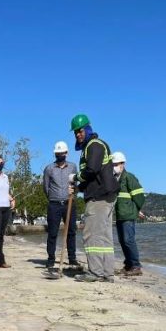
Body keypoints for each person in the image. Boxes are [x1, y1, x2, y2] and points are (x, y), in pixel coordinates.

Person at [68, 114, 119, 283]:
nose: (78, 135)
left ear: (88, 128)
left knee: (91, 235)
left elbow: (92, 169)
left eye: (80, 131)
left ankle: (96, 272)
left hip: (99, 197)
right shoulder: (90, 147)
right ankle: (107, 273)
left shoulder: (94, 145)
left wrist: (75, 178)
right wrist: (80, 187)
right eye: (75, 132)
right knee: (104, 237)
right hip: (104, 194)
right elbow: (92, 176)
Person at [42, 141, 79, 268]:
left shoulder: (73, 167)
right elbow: (46, 187)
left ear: (66, 153)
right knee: (52, 232)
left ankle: (72, 258)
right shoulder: (49, 169)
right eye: (57, 153)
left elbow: (76, 185)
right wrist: (54, 197)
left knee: (71, 232)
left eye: (62, 153)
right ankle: (51, 259)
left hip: (69, 204)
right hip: (54, 205)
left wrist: (72, 195)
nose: (59, 155)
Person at [111, 151, 145, 276]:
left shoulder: (129, 177)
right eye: (112, 164)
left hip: (128, 215)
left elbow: (139, 196)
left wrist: (136, 210)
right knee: (122, 240)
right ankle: (128, 265)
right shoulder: (115, 179)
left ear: (123, 164)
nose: (114, 166)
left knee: (128, 240)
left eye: (116, 164)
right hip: (120, 215)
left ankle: (136, 266)